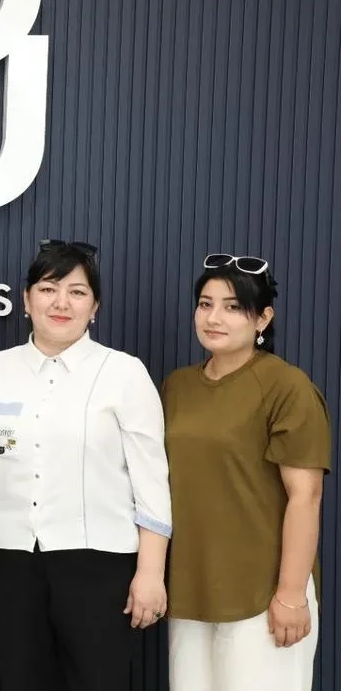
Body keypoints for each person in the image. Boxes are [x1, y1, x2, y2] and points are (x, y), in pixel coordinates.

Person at [0, 239, 172, 691]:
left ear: (95, 306)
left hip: (99, 566)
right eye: (48, 289)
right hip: (4, 562)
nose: (61, 303)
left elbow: (151, 483)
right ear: (26, 300)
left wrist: (151, 572)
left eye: (77, 292)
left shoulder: (124, 373)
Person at [163, 254, 330, 691]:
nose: (214, 317)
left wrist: (290, 595)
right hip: (191, 589)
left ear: (263, 318)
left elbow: (306, 495)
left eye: (233, 307)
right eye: (205, 304)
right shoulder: (177, 386)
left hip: (262, 593)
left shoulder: (286, 386)